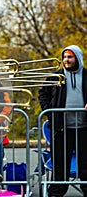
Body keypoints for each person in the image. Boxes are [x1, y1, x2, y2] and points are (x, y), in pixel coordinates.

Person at [39, 45, 87, 197]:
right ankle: (56, 192)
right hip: (61, 129)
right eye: (65, 57)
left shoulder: (86, 75)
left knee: (86, 162)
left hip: (84, 128)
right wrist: (49, 111)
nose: (66, 60)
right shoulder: (55, 76)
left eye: (70, 57)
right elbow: (43, 94)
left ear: (77, 58)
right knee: (60, 163)